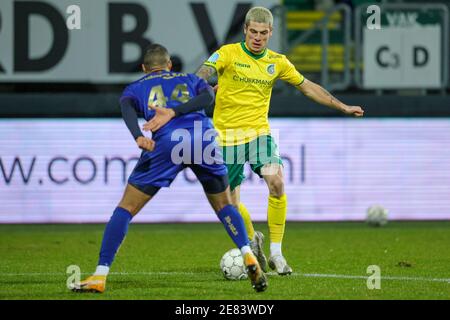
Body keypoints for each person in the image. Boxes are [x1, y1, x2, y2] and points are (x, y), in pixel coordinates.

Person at [150, 7, 364, 276]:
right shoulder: (228, 53)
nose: (258, 37)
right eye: (254, 32)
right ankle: (253, 240)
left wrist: (342, 106)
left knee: (276, 181)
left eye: (264, 33)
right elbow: (204, 71)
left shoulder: (278, 62)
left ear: (271, 33)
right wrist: (196, 87)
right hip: (226, 138)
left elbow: (308, 86)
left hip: (259, 135)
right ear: (246, 30)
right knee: (230, 202)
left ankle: (277, 253)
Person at [70, 44, 267, 293]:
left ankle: (100, 275)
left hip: (168, 142)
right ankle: (247, 252)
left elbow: (126, 108)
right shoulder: (188, 78)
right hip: (202, 137)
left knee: (126, 208)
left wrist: (137, 136)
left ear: (144, 68)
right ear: (170, 64)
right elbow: (208, 97)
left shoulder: (135, 87)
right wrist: (178, 109)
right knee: (225, 205)